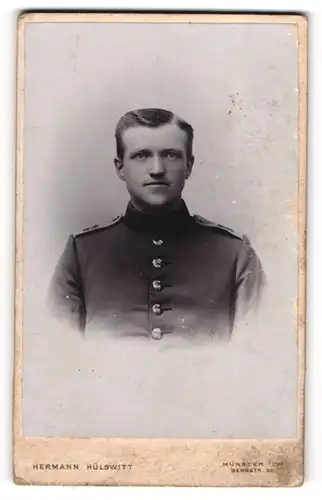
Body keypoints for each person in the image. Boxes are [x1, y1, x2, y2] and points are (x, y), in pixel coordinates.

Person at [48, 108, 266, 341]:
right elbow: (60, 352)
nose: (157, 170)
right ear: (120, 167)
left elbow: (253, 354)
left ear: (189, 166)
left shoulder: (235, 254)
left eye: (171, 155)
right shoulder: (81, 253)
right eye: (141, 155)